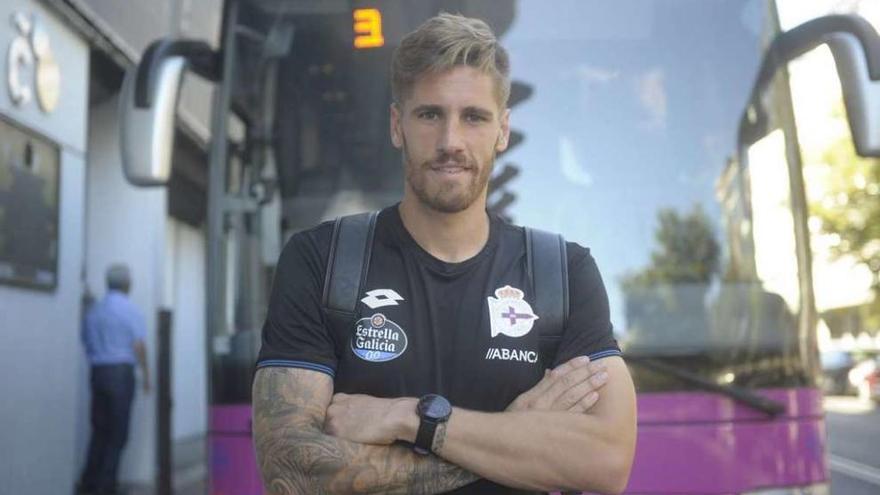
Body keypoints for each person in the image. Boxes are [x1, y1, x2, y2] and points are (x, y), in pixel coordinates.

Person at [252, 13, 636, 495]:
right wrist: (510, 438)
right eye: (430, 114)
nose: (451, 141)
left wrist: (415, 421)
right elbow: (292, 470)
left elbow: (606, 463)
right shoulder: (321, 261)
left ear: (502, 130)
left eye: (474, 117)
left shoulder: (563, 272)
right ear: (398, 125)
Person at [78, 264, 150, 495]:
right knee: (118, 433)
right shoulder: (130, 310)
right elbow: (139, 346)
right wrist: (147, 375)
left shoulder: (95, 309)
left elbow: (86, 340)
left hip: (98, 372)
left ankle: (88, 483)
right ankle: (106, 487)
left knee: (99, 430)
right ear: (127, 284)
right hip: (120, 374)